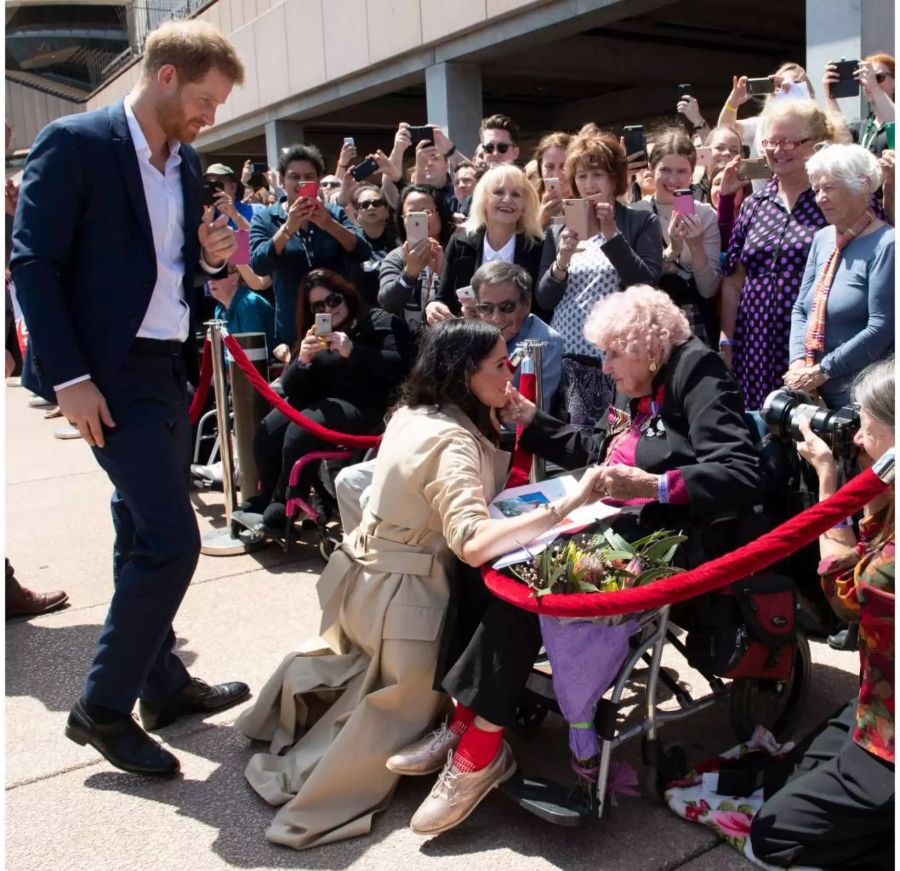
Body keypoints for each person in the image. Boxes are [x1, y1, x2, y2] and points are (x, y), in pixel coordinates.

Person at [393, 285, 763, 837]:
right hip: (625, 519)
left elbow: (739, 469)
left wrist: (657, 485)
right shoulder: (638, 384)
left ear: (647, 346)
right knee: (490, 562)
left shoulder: (695, 371)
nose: (604, 366)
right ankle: (467, 717)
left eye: (613, 354)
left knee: (530, 579)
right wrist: (532, 420)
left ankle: (479, 747)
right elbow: (602, 451)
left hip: (679, 535)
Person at [235, 318, 605, 849]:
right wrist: (566, 507)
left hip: (366, 583)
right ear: (462, 376)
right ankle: (464, 749)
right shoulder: (454, 443)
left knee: (361, 675)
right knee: (393, 715)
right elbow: (473, 542)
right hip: (407, 606)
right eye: (500, 365)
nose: (511, 373)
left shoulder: (414, 413)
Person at [10, 19, 249, 777]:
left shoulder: (185, 163)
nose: (210, 117)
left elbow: (172, 269)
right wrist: (71, 378)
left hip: (164, 368)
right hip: (107, 377)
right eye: (206, 100)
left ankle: (163, 684)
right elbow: (33, 266)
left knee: (138, 529)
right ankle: (102, 709)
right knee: (172, 539)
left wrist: (208, 262)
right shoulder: (76, 144)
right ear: (168, 76)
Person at [750, 357, 894, 871]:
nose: (856, 440)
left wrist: (829, 481)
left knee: (772, 840)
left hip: (892, 738)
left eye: (868, 430)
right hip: (876, 707)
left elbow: (845, 596)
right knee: (777, 781)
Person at [248, 269, 413, 528]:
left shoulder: (377, 321)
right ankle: (265, 495)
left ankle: (287, 502)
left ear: (345, 295)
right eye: (319, 306)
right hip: (323, 402)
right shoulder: (315, 334)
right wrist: (301, 360)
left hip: (368, 404)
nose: (329, 308)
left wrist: (352, 351)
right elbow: (292, 388)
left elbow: (401, 366)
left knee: (300, 430)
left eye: (333, 300)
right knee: (269, 429)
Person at [536, 125, 663, 430]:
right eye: (581, 176)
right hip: (565, 355)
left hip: (614, 358)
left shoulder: (639, 220)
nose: (589, 184)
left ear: (614, 178)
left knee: (613, 443)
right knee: (569, 447)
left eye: (597, 175)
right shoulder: (559, 228)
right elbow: (543, 298)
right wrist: (562, 260)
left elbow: (646, 285)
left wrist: (612, 235)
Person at [719, 100, 835, 411]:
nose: (777, 150)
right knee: (760, 433)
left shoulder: (833, 197)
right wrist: (727, 341)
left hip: (813, 346)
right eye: (770, 141)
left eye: (787, 142)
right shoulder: (755, 204)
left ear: (815, 143)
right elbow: (733, 280)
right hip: (754, 344)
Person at [786, 144, 894, 409]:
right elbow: (801, 308)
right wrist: (798, 361)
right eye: (816, 190)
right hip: (814, 392)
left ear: (863, 185)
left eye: (830, 188)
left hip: (864, 399)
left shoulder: (888, 244)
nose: (820, 198)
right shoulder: (823, 239)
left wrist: (822, 370)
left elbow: (882, 328)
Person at [249, 143, 372, 354]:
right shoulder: (266, 218)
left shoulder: (334, 213)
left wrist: (328, 224)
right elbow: (258, 264)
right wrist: (287, 229)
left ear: (317, 180)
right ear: (282, 180)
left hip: (341, 325)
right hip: (294, 330)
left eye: (308, 176)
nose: (301, 182)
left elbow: (362, 251)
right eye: (294, 176)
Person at [631, 131, 721, 345]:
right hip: (647, 320)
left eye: (682, 171)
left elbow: (708, 290)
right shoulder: (636, 213)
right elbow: (636, 281)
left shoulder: (706, 215)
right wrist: (672, 250)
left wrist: (696, 246)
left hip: (694, 320)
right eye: (665, 170)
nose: (673, 179)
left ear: (692, 174)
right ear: (652, 170)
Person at [435, 164, 544, 321]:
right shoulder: (460, 242)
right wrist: (434, 307)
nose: (507, 199)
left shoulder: (537, 247)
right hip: (472, 338)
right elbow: (443, 299)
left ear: (525, 206)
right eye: (498, 192)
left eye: (516, 194)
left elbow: (542, 310)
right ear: (483, 199)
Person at [471, 261, 564, 410]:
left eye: (506, 307)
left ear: (526, 304)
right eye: (486, 308)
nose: (496, 318)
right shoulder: (472, 335)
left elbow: (529, 414)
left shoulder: (545, 342)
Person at [378, 184, 454, 333]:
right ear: (402, 219)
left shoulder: (457, 251)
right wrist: (409, 274)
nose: (420, 220)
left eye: (426, 212)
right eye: (411, 214)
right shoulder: (397, 257)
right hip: (409, 345)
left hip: (450, 339)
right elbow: (387, 303)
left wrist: (443, 272)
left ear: (441, 214)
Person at [824, 53, 895, 156]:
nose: (869, 83)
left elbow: (894, 124)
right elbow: (843, 144)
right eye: (864, 79)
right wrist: (830, 95)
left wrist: (875, 88)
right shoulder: (860, 127)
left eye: (877, 77)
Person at [207, 265, 276, 355]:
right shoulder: (219, 309)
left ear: (235, 278)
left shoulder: (249, 304)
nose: (211, 281)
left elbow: (252, 354)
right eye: (209, 276)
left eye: (218, 275)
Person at [347, 183, 397, 306]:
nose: (371, 207)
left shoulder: (400, 239)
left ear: (386, 211)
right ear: (356, 215)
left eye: (377, 203)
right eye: (364, 205)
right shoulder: (351, 242)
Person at [532, 131, 573, 228]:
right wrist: (540, 221)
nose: (557, 175)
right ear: (540, 168)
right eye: (550, 167)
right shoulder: (527, 205)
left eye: (564, 166)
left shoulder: (588, 203)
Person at [204, 162, 253, 229]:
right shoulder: (204, 214)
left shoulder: (256, 210)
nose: (214, 188)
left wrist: (234, 214)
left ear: (233, 187)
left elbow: (256, 238)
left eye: (219, 182)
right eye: (209, 183)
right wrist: (207, 224)